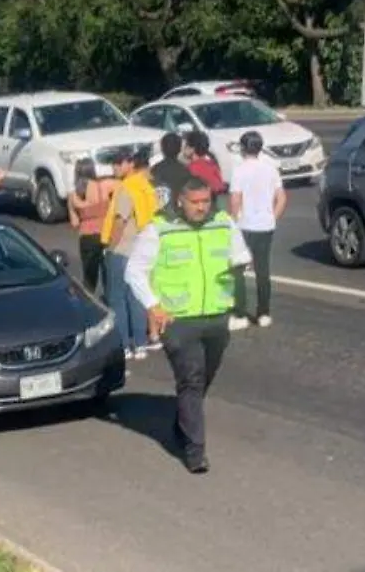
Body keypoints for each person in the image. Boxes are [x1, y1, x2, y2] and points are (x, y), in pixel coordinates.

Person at [125, 177, 252, 474]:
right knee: (191, 380)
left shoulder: (223, 223)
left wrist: (243, 266)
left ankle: (183, 425)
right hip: (178, 319)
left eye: (206, 201)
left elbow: (240, 254)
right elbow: (135, 272)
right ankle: (196, 452)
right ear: (181, 201)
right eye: (195, 202)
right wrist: (153, 306)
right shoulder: (160, 229)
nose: (201, 207)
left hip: (216, 316)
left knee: (203, 379)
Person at [101, 146, 159, 360]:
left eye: (118, 162)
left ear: (130, 164)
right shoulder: (146, 186)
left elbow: (119, 220)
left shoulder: (126, 188)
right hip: (143, 246)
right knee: (136, 296)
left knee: (117, 297)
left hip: (123, 248)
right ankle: (141, 344)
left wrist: (110, 247)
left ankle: (125, 344)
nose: (114, 167)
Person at [228, 131, 286, 330]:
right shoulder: (270, 169)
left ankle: (240, 314)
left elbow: (236, 199)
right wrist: (272, 217)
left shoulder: (239, 170)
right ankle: (263, 313)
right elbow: (282, 198)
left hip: (245, 225)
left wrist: (234, 221)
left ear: (244, 148)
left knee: (238, 269)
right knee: (263, 270)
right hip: (265, 225)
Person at [68, 157, 115, 293]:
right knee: (108, 274)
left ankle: (89, 304)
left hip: (87, 238)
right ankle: (110, 302)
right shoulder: (105, 186)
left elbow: (75, 223)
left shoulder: (73, 196)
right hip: (106, 234)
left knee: (89, 278)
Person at [150, 132, 194, 210]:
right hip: (179, 211)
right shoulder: (185, 170)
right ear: (180, 149)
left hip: (161, 210)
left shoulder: (155, 170)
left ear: (162, 148)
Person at [183, 131, 226, 199]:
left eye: (186, 146)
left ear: (192, 149)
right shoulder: (212, 164)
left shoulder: (191, 169)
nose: (183, 149)